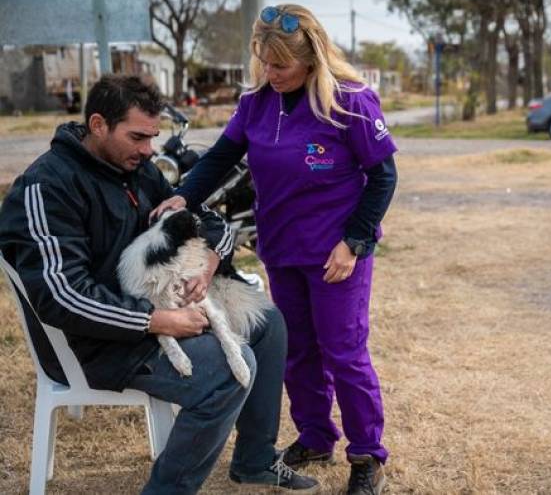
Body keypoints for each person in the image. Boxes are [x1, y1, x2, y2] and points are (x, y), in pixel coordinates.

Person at [0, 74, 319, 494]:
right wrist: (158, 320)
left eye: (153, 137)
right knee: (226, 372)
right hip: (95, 342)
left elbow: (203, 220)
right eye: (138, 137)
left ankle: (255, 460)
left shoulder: (136, 168)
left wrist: (208, 261)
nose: (149, 150)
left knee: (268, 324)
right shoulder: (46, 187)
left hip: (155, 309)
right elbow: (62, 294)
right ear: (98, 125)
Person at [152, 4, 398, 495]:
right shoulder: (256, 102)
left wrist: (353, 243)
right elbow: (222, 156)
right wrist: (185, 194)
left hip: (335, 255)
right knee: (297, 351)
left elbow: (383, 176)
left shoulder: (349, 101)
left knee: (344, 352)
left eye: (281, 65)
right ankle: (315, 435)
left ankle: (367, 454)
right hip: (282, 249)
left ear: (311, 60)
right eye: (264, 62)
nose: (271, 73)